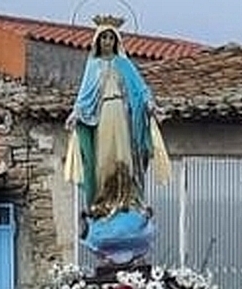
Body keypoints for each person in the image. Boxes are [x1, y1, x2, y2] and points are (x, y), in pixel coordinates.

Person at [63, 16, 170, 266]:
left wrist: (152, 108)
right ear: (97, 42)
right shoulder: (93, 66)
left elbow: (141, 91)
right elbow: (84, 98)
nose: (108, 42)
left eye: (111, 38)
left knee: (124, 160)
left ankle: (127, 201)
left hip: (122, 115)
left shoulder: (125, 65)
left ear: (116, 40)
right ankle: (104, 203)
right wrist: (75, 115)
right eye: (104, 38)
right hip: (102, 119)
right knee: (104, 164)